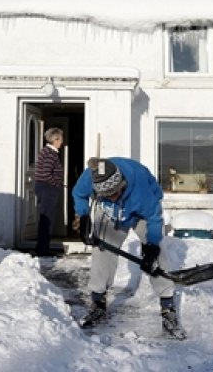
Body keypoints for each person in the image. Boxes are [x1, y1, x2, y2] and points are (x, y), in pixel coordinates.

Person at [71, 156, 185, 339]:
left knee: (158, 256)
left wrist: (151, 247)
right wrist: (83, 217)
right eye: (108, 195)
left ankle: (167, 307)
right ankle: (98, 303)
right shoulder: (91, 177)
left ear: (121, 183)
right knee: (102, 252)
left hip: (139, 212)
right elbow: (78, 193)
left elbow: (154, 218)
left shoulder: (141, 189)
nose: (113, 196)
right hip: (110, 214)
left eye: (115, 192)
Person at [34, 127, 64, 257]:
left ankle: (43, 247)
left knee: (46, 219)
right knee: (47, 219)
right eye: (61, 139)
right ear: (55, 140)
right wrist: (56, 184)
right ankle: (42, 249)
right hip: (47, 189)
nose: (62, 142)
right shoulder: (50, 154)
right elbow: (46, 173)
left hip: (46, 188)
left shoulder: (48, 152)